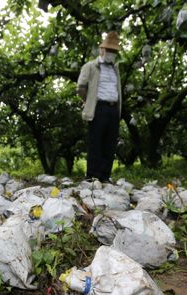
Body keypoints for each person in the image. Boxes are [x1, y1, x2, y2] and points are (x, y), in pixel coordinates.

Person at [77, 31, 122, 183]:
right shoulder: (91, 66)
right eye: (109, 50)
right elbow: (81, 87)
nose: (111, 53)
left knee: (110, 143)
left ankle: (104, 176)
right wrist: (88, 101)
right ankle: (92, 175)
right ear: (101, 50)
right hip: (98, 108)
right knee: (95, 142)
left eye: (114, 51)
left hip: (113, 109)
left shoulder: (115, 69)